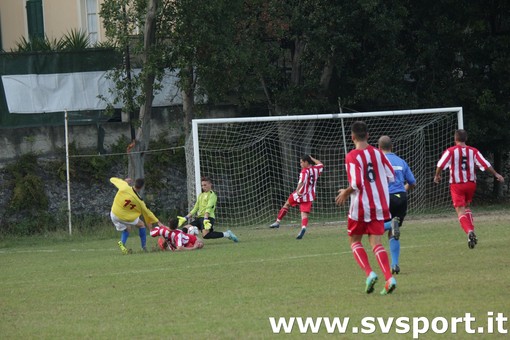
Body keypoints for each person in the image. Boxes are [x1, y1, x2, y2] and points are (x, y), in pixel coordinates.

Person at [335, 121, 397, 295]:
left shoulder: (352, 156)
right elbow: (392, 176)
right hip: (379, 206)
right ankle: (389, 278)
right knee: (376, 243)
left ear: (352, 137)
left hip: (360, 206)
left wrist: (345, 192)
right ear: (368, 136)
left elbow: (356, 183)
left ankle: (370, 274)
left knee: (354, 241)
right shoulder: (378, 153)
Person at [434, 129, 504, 248]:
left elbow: (440, 164)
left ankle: (469, 231)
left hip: (457, 184)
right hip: (471, 184)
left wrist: (437, 175)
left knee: (460, 211)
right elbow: (485, 164)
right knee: (467, 207)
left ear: (455, 139)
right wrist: (496, 174)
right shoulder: (473, 151)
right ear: (466, 139)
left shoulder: (451, 151)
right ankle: (472, 232)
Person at [378, 135, 416, 275]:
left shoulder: (379, 161)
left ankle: (390, 224)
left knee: (375, 229)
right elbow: (412, 182)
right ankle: (395, 264)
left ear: (379, 148)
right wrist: (403, 189)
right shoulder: (401, 161)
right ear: (392, 146)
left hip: (386, 198)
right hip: (401, 198)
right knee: (393, 233)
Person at [269, 155, 324, 239]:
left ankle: (277, 222)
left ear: (306, 162)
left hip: (299, 194)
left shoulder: (304, 171)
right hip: (309, 196)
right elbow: (320, 164)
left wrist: (297, 190)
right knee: (304, 214)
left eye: (301, 162)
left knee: (287, 204)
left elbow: (302, 182)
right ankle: (303, 228)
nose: (300, 164)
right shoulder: (316, 169)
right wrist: (312, 158)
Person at [110, 177, 163, 254]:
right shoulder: (139, 201)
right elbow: (148, 213)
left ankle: (122, 243)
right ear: (141, 187)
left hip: (114, 213)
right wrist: (158, 222)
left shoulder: (124, 187)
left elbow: (113, 180)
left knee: (127, 228)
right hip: (124, 217)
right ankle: (144, 247)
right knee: (141, 225)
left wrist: (124, 182)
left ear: (134, 183)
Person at [182, 177, 238, 242]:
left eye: (205, 185)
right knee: (185, 228)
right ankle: (186, 243)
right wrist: (186, 217)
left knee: (205, 235)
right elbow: (195, 208)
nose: (203, 187)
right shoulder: (201, 195)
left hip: (208, 218)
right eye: (202, 185)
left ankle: (227, 234)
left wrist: (205, 219)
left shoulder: (212, 195)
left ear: (210, 184)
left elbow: (208, 208)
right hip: (199, 218)